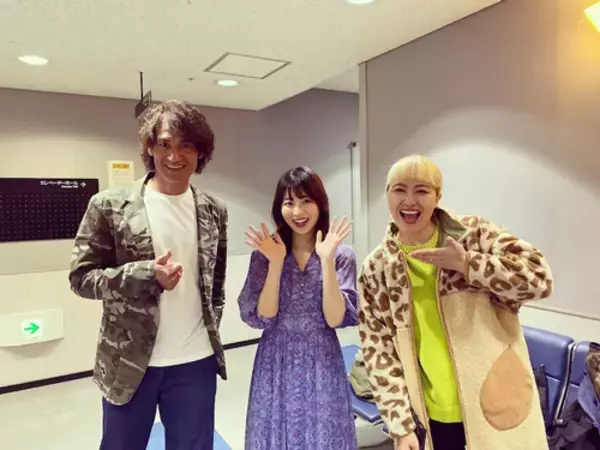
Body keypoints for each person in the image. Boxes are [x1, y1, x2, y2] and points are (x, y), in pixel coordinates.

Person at [358, 154, 553, 450]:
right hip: (430, 416)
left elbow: (540, 279)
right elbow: (378, 351)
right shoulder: (377, 268)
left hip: (496, 405)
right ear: (388, 195)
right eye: (399, 189)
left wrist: (469, 265)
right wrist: (400, 426)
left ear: (438, 197)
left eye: (421, 190)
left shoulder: (473, 235)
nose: (409, 201)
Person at [69, 100, 228, 450]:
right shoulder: (109, 206)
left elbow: (216, 286)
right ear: (149, 148)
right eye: (164, 144)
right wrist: (143, 275)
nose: (174, 155)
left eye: (187, 145)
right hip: (128, 361)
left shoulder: (214, 211)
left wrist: (210, 325)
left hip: (195, 362)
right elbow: (81, 278)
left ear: (201, 152)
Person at [238, 166, 359, 450]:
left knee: (325, 433)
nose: (298, 211)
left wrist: (326, 260)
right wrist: (276, 262)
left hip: (322, 357)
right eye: (289, 202)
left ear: (320, 204)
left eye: (306, 201)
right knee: (274, 432)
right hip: (276, 358)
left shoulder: (341, 255)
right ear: (279, 208)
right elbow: (264, 316)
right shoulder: (265, 255)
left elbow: (335, 318)